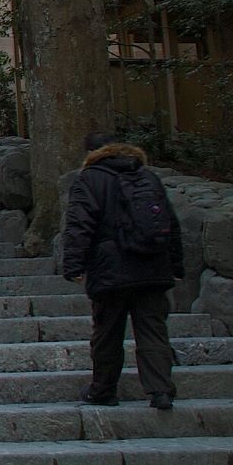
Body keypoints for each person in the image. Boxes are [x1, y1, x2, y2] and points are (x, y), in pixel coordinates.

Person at [62, 134, 184, 410]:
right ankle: (160, 391)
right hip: (152, 265)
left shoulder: (89, 179)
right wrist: (176, 265)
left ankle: (103, 389)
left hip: (110, 268)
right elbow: (170, 223)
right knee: (153, 330)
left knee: (107, 332)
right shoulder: (147, 176)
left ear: (92, 152)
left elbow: (80, 224)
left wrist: (74, 265)